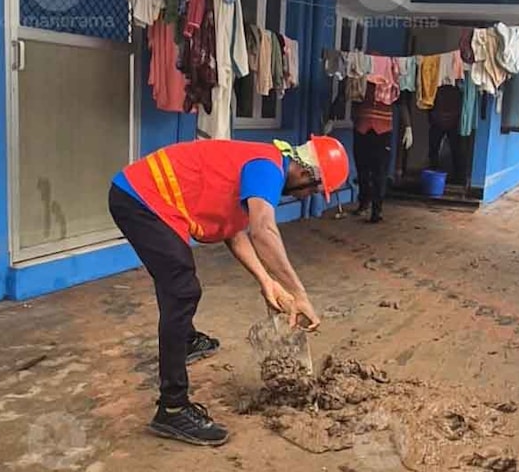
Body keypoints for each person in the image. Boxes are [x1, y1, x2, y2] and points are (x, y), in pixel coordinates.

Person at [107, 136, 350, 447]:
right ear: (305, 174)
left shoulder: (261, 167)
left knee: (175, 279)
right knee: (181, 289)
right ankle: (173, 407)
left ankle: (185, 340)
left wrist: (266, 281)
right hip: (140, 199)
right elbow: (262, 231)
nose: (309, 197)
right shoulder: (268, 168)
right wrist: (299, 293)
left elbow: (234, 231)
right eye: (315, 190)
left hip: (142, 196)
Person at [353, 81, 411, 223]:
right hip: (362, 127)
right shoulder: (362, 69)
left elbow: (401, 102)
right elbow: (349, 95)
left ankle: (376, 210)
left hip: (382, 130)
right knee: (362, 169)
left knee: (380, 172)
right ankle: (364, 202)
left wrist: (408, 126)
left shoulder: (393, 74)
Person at [428, 85, 464, 183]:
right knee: (455, 150)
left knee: (435, 149)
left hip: (439, 119)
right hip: (450, 119)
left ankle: (433, 175)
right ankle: (459, 178)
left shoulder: (438, 86)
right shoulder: (457, 87)